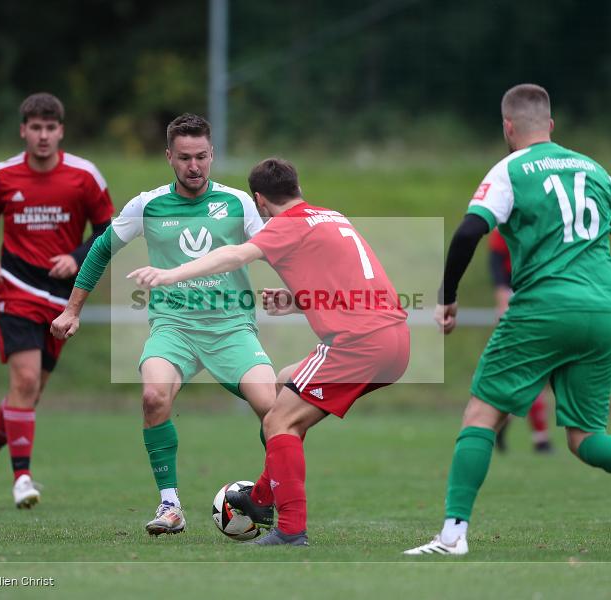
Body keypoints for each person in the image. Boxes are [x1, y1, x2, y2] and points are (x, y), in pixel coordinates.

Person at [404, 84, 611, 557]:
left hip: (541, 310)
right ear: (551, 125)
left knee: (481, 415)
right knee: (584, 437)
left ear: (508, 127)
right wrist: (607, 295)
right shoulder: (594, 168)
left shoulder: (510, 169)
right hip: (601, 315)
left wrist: (447, 298)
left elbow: (471, 229)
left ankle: (452, 535)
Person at [124, 158, 411, 546]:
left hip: (358, 343)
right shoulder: (330, 216)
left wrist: (169, 275)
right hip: (395, 339)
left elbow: (234, 256)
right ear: (297, 186)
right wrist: (295, 301)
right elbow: (350, 280)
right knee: (280, 387)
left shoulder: (283, 225)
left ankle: (290, 530)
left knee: (279, 423)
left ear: (259, 200)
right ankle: (260, 496)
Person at [50, 114, 277, 535]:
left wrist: (305, 293)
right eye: (186, 157)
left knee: (274, 410)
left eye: (203, 157)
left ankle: (268, 496)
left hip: (231, 327)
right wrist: (72, 310)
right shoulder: (148, 205)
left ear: (212, 155)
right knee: (154, 397)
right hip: (174, 328)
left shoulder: (237, 203)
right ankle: (170, 505)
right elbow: (100, 250)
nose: (195, 166)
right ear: (169, 156)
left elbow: (277, 249)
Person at [0, 93, 113, 509]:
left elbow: (108, 231)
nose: (43, 135)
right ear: (23, 130)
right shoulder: (3, 175)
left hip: (62, 299)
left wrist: (76, 257)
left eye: (51, 128)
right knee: (25, 381)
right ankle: (22, 479)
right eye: (36, 127)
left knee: (31, 391)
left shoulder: (85, 176)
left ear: (60, 131)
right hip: (15, 288)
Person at [487, 228, 552, 453]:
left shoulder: (546, 219)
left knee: (532, 374)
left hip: (543, 300)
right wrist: (502, 296)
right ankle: (539, 439)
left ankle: (507, 425)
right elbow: (495, 261)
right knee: (528, 372)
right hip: (518, 301)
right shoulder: (506, 221)